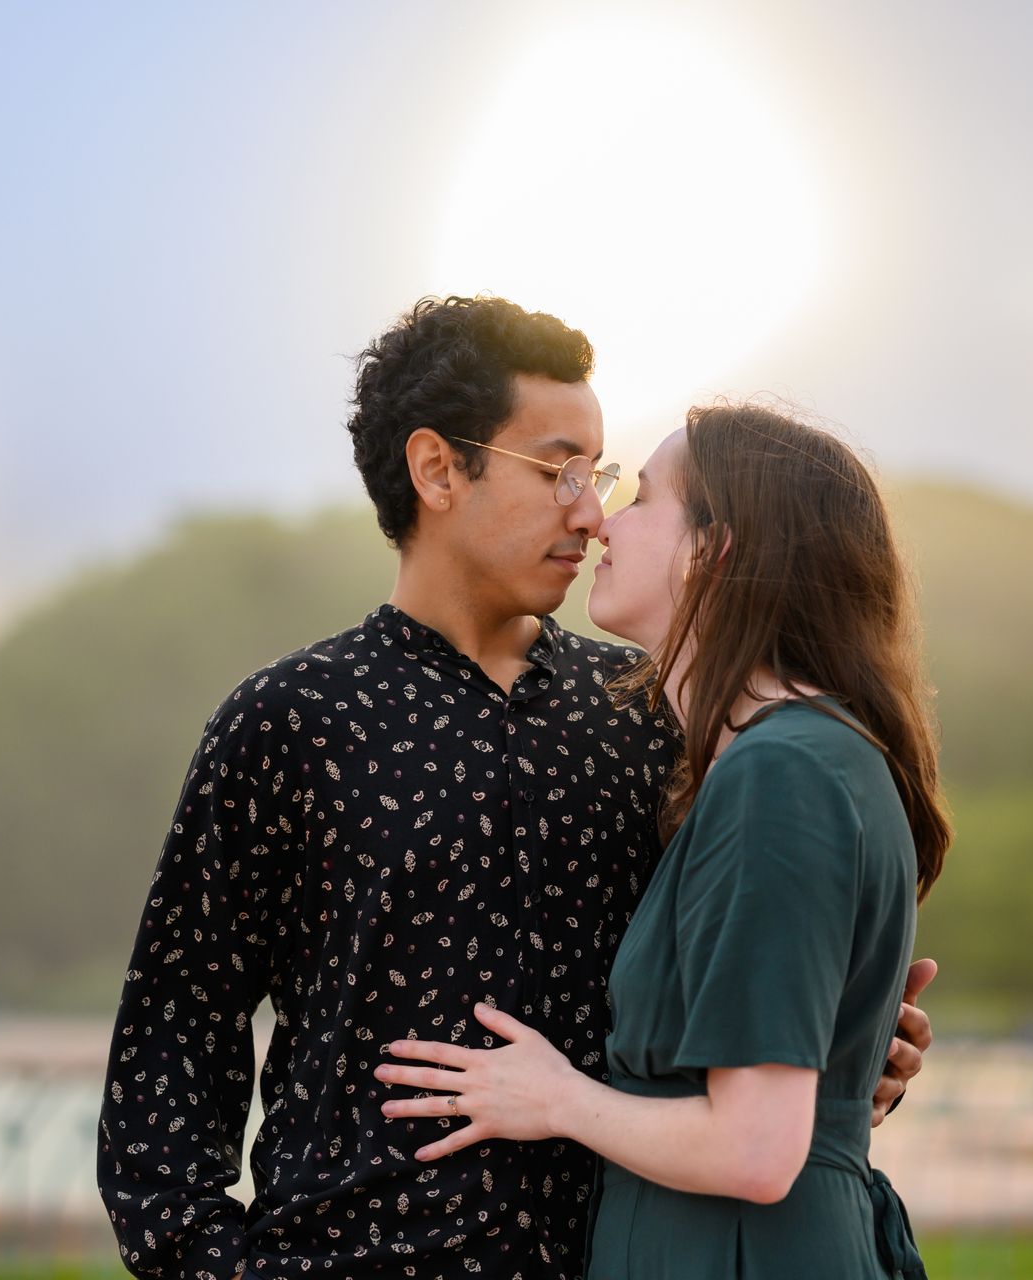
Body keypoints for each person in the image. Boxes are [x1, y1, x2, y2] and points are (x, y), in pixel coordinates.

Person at [98, 299, 936, 1280]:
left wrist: (843, 1042)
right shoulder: (291, 723)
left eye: (603, 476)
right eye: (559, 470)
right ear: (439, 469)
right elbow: (176, 1032)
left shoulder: (652, 723)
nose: (589, 509)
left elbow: (733, 990)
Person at [374, 403, 949, 1278]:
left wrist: (556, 1098)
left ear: (713, 552)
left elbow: (755, 1150)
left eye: (642, 497)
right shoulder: (781, 761)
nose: (603, 517)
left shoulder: (783, 772)